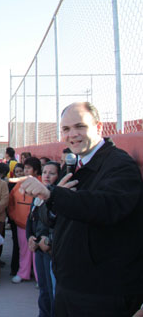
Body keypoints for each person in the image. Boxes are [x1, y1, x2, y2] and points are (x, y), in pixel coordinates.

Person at [12, 102, 143, 316]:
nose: (72, 134)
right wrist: (52, 201)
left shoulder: (119, 165)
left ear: (98, 127)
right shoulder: (71, 167)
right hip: (70, 287)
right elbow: (50, 213)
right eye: (66, 129)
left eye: (79, 126)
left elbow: (105, 207)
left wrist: (51, 194)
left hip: (101, 294)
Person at [27, 161, 59, 317]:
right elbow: (31, 219)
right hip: (38, 247)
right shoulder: (38, 194)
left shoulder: (58, 196)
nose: (47, 175)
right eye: (45, 172)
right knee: (43, 288)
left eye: (51, 173)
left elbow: (53, 223)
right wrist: (30, 237)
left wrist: (46, 240)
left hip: (49, 248)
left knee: (53, 290)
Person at [9, 156, 41, 284]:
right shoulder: (19, 183)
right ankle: (23, 273)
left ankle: (40, 278)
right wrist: (14, 216)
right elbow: (11, 201)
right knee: (24, 250)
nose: (26, 171)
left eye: (29, 168)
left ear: (36, 170)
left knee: (38, 252)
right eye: (25, 168)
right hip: (21, 223)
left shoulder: (41, 183)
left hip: (38, 225)